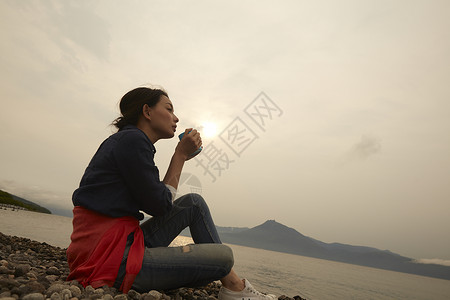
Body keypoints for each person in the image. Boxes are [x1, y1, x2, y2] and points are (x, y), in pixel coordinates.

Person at [66, 87, 276, 300]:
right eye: (169, 109)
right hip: (110, 260)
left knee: (193, 203)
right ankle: (235, 289)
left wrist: (180, 156)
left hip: (118, 244)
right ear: (147, 112)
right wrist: (180, 155)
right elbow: (160, 205)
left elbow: (157, 200)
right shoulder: (133, 141)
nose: (176, 118)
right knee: (224, 258)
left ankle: (234, 287)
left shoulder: (129, 141)